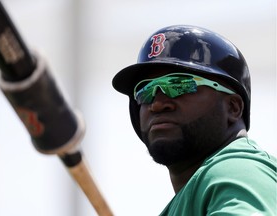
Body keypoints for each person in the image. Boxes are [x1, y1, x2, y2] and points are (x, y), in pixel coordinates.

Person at [112, 25, 277, 215]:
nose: (157, 104)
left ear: (233, 107)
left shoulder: (239, 169)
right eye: (146, 91)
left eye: (180, 85)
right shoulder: (195, 193)